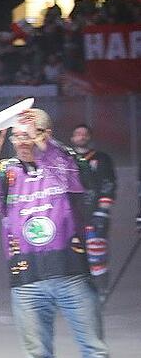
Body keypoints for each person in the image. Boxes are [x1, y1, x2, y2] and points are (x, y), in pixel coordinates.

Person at [0, 109, 133, 358]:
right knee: (39, 353)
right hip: (26, 279)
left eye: (29, 134)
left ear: (46, 133)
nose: (22, 141)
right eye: (17, 136)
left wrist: (40, 138)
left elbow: (63, 168)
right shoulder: (7, 171)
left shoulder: (65, 163)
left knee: (94, 348)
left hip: (70, 275)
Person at [69, 124, 117, 295]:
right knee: (73, 256)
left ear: (89, 137)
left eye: (84, 134)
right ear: (72, 138)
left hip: (93, 214)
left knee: (96, 254)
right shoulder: (67, 160)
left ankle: (101, 291)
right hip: (72, 217)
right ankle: (80, 294)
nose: (81, 136)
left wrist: (102, 213)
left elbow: (108, 185)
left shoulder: (102, 158)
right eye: (77, 133)